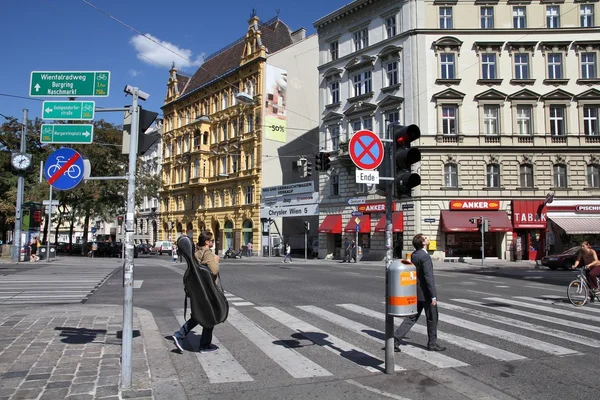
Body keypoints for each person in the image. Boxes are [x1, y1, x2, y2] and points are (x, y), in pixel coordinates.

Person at [394, 234, 446, 352]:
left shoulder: (414, 255)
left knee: (412, 317)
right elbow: (428, 277)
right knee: (432, 318)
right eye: (426, 238)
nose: (428, 239)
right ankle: (432, 343)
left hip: (416, 291)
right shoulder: (425, 256)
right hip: (426, 293)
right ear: (423, 243)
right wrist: (433, 295)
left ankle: (395, 340)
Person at [172, 230, 220, 354]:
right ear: (207, 242)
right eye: (212, 241)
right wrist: (216, 260)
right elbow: (213, 270)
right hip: (208, 291)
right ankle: (201, 344)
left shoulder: (196, 253)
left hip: (198, 291)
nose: (213, 242)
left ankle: (181, 335)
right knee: (209, 318)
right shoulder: (208, 253)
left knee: (198, 316)